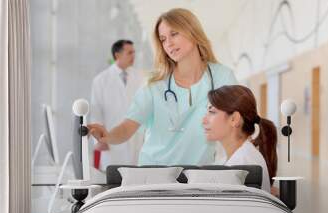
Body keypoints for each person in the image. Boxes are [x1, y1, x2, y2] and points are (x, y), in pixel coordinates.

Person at [89, 8, 237, 165]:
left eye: (174, 34)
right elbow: (128, 127)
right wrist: (107, 136)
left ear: (192, 31)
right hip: (155, 172)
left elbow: (238, 122)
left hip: (198, 175)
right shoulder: (155, 83)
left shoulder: (222, 77)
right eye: (163, 39)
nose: (169, 44)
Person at [202, 85, 278, 193]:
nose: (204, 120)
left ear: (234, 119)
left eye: (212, 112)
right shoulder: (238, 156)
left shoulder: (242, 165)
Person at [90, 39, 144, 170]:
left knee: (136, 180)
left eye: (134, 52)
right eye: (129, 52)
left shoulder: (140, 77)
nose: (133, 56)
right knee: (114, 180)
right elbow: (96, 112)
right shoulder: (101, 80)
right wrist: (99, 139)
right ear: (117, 55)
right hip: (111, 140)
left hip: (136, 138)